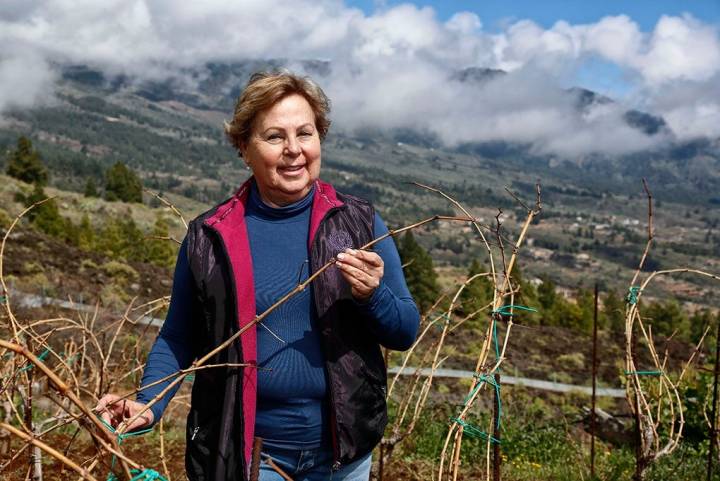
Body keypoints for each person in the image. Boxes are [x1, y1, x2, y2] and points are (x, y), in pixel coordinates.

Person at [96, 71, 420, 481]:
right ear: (244, 148)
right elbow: (179, 335)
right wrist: (150, 402)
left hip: (344, 460)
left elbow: (404, 331)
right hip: (249, 459)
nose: (293, 150)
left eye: (305, 133)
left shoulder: (359, 223)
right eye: (273, 137)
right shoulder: (210, 236)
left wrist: (374, 295)